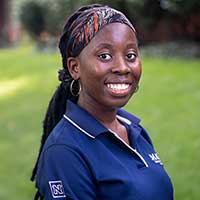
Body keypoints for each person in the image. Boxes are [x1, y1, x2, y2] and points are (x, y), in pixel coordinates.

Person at [31, 4, 174, 200]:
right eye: (104, 56)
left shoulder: (134, 129)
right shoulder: (64, 152)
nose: (122, 67)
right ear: (75, 68)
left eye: (130, 55)